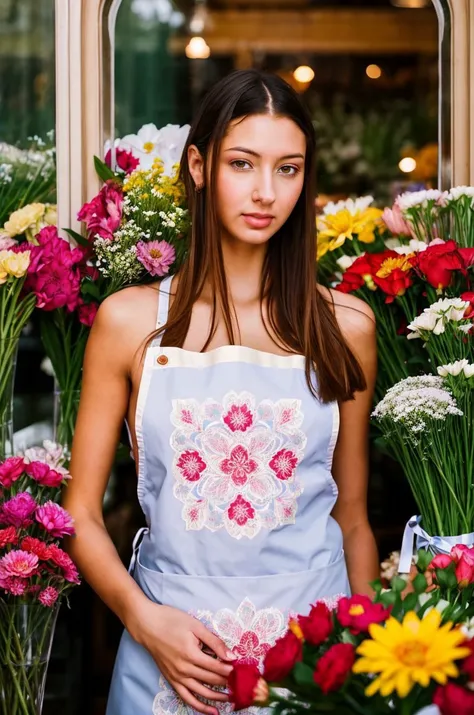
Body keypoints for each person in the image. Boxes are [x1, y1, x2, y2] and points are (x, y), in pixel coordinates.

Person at [63, 68, 379, 715]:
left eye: (288, 169)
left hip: (313, 658)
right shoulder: (129, 322)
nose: (266, 191)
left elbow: (351, 517)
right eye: (243, 163)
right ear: (200, 167)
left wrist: (366, 660)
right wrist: (144, 618)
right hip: (168, 661)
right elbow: (81, 515)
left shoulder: (347, 326)